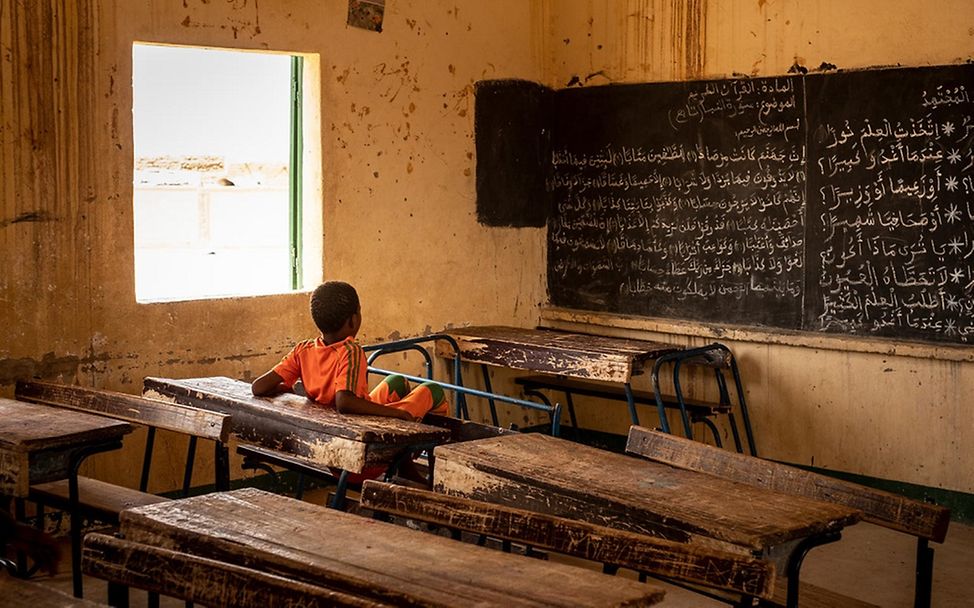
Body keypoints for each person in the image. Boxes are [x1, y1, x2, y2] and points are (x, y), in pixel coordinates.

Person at [251, 281, 449, 421]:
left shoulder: (303, 350)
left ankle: (407, 466)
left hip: (332, 432)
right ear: (353, 319)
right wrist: (398, 414)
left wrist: (286, 389)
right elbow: (344, 402)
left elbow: (258, 387)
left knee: (397, 382)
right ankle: (422, 455)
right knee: (433, 390)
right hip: (361, 447)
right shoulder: (350, 350)